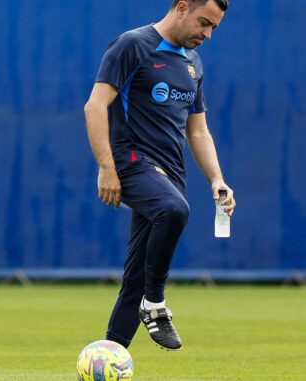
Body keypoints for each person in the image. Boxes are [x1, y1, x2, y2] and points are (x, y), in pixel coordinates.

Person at [84, 0, 236, 351]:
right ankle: (155, 304)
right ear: (182, 6)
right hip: (131, 160)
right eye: (203, 23)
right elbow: (94, 105)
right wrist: (106, 167)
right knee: (175, 209)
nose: (208, 34)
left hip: (168, 175)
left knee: (136, 276)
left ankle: (110, 358)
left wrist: (217, 179)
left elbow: (197, 132)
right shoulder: (132, 44)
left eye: (214, 27)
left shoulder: (193, 64)